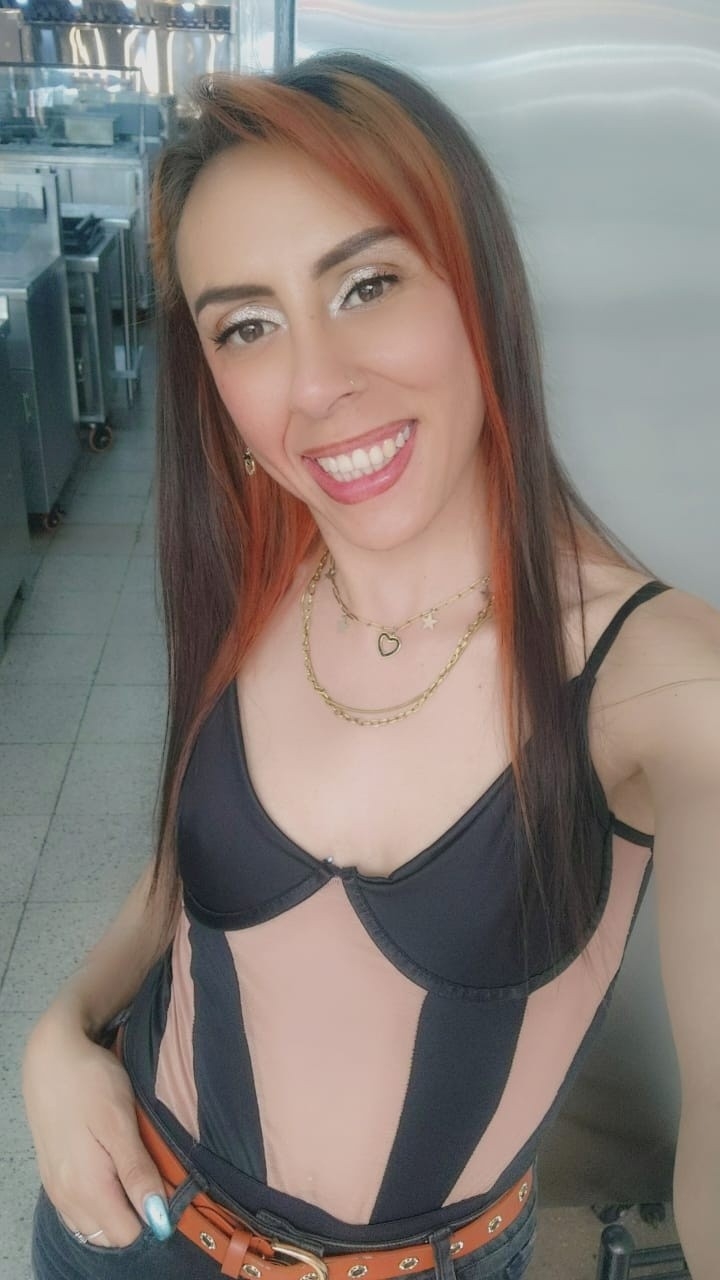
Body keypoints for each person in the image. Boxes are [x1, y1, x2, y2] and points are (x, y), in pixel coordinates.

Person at [23, 51, 720, 1280]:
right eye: (247, 325)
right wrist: (60, 1032)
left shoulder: (661, 684)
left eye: (367, 284)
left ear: (477, 287)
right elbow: (182, 873)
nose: (317, 385)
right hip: (130, 1228)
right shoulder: (258, 585)